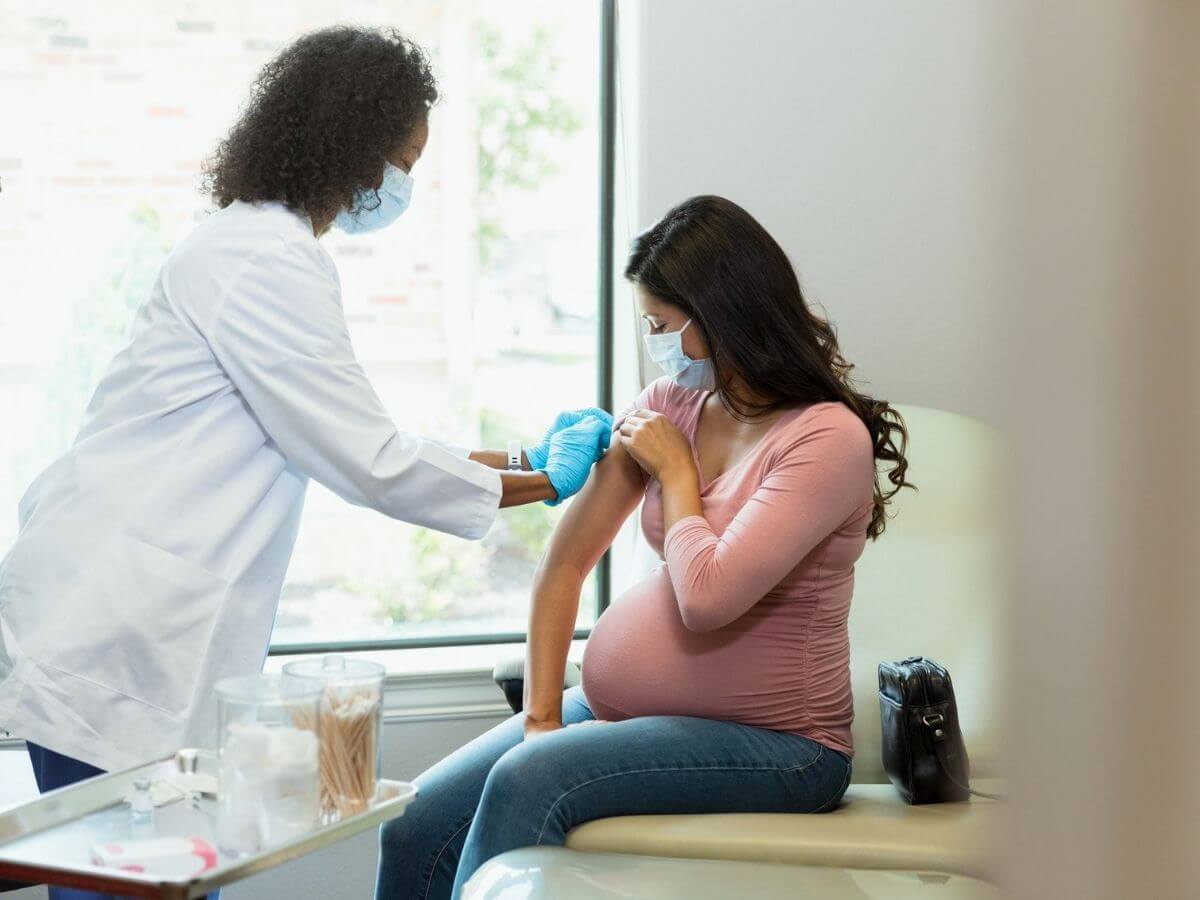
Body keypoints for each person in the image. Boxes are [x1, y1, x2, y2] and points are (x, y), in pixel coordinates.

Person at [0, 26, 610, 900]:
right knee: (130, 886)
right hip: (116, 641)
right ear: (349, 147)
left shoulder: (254, 249)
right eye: (403, 160)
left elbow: (357, 435)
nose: (402, 186)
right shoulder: (264, 261)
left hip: (128, 630)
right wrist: (545, 478)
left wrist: (523, 454)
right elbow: (371, 461)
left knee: (155, 882)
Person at [375, 195, 915, 898]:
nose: (654, 343)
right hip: (621, 714)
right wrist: (541, 719)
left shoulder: (825, 440)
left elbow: (709, 600)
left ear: (721, 317)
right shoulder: (669, 404)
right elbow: (565, 563)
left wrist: (678, 474)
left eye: (663, 325)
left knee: (529, 780)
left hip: (783, 748)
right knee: (415, 821)